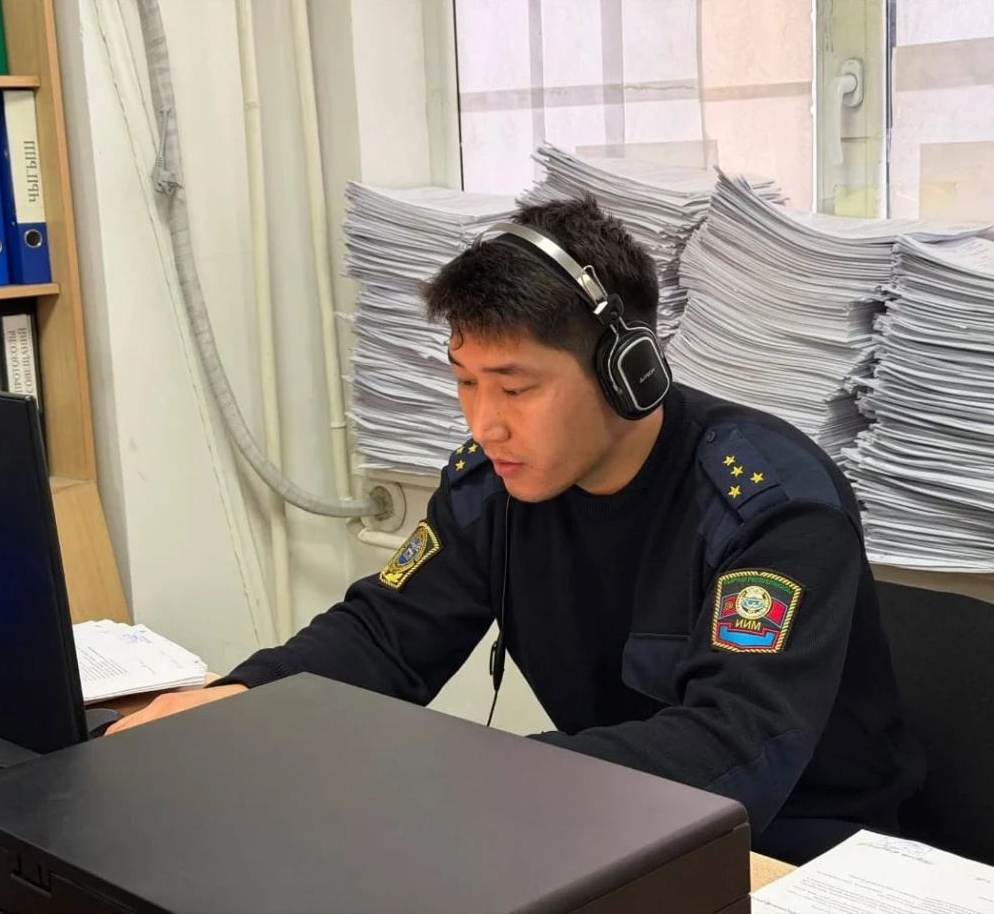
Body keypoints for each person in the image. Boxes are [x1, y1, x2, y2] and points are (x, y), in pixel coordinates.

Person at [112, 196, 924, 864]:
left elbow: (735, 747)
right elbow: (386, 634)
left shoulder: (770, 507)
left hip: (802, 851)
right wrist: (239, 701)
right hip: (608, 817)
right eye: (467, 383)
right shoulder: (496, 487)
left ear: (628, 371)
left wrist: (488, 782)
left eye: (515, 387)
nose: (485, 423)